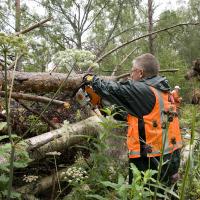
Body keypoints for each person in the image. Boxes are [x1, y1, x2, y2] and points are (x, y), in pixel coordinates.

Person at [83, 53, 182, 188]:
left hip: (151, 160)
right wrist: (101, 103)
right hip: (170, 156)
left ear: (140, 73)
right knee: (167, 193)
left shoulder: (144, 90)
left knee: (145, 193)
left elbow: (116, 89)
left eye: (132, 71)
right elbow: (135, 116)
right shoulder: (161, 90)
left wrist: (92, 79)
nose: (130, 75)